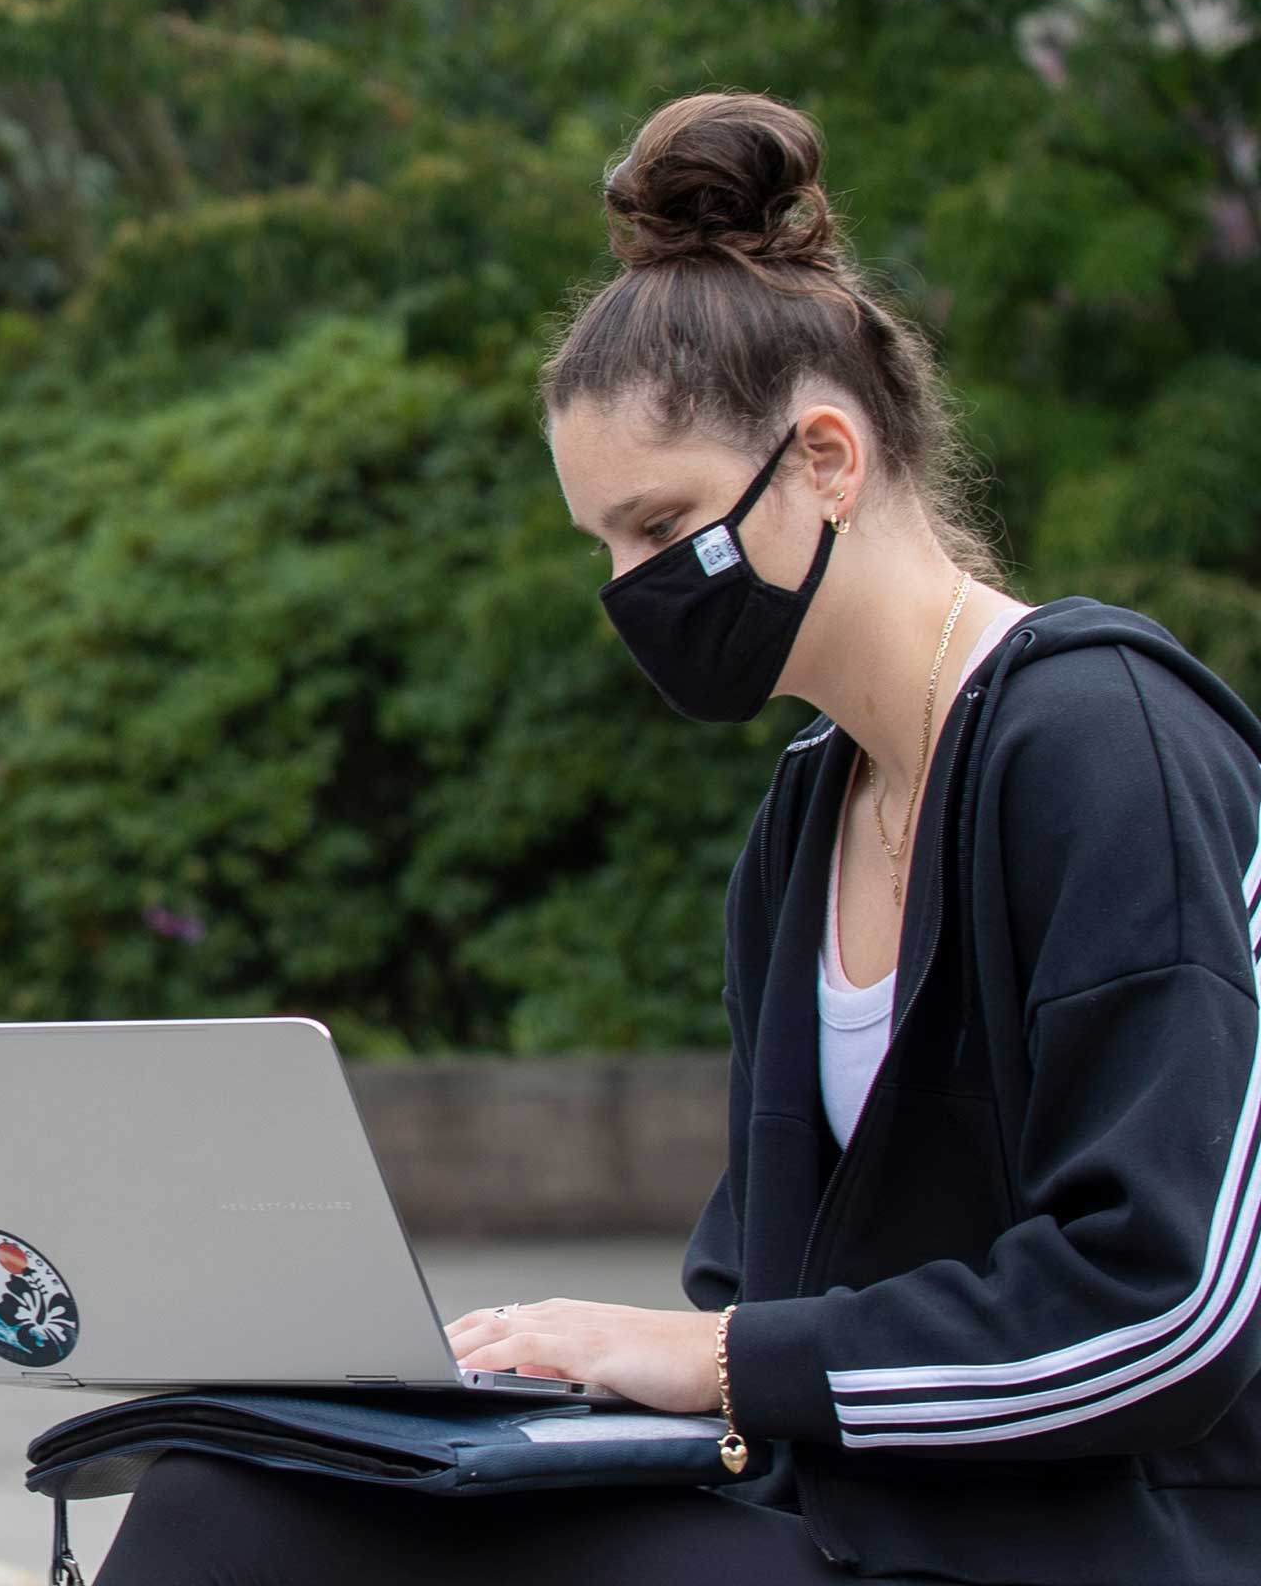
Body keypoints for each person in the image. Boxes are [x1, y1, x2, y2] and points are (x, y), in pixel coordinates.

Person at [89, 89, 1261, 1585]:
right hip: (850, 1519)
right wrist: (547, 1395)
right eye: (607, 549)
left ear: (827, 458)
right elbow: (754, 1293)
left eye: (662, 525)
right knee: (236, 1490)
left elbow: (1164, 1318)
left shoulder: (1102, 743)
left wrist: (710, 1360)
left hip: (1096, 1546)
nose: (636, 588)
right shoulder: (806, 817)